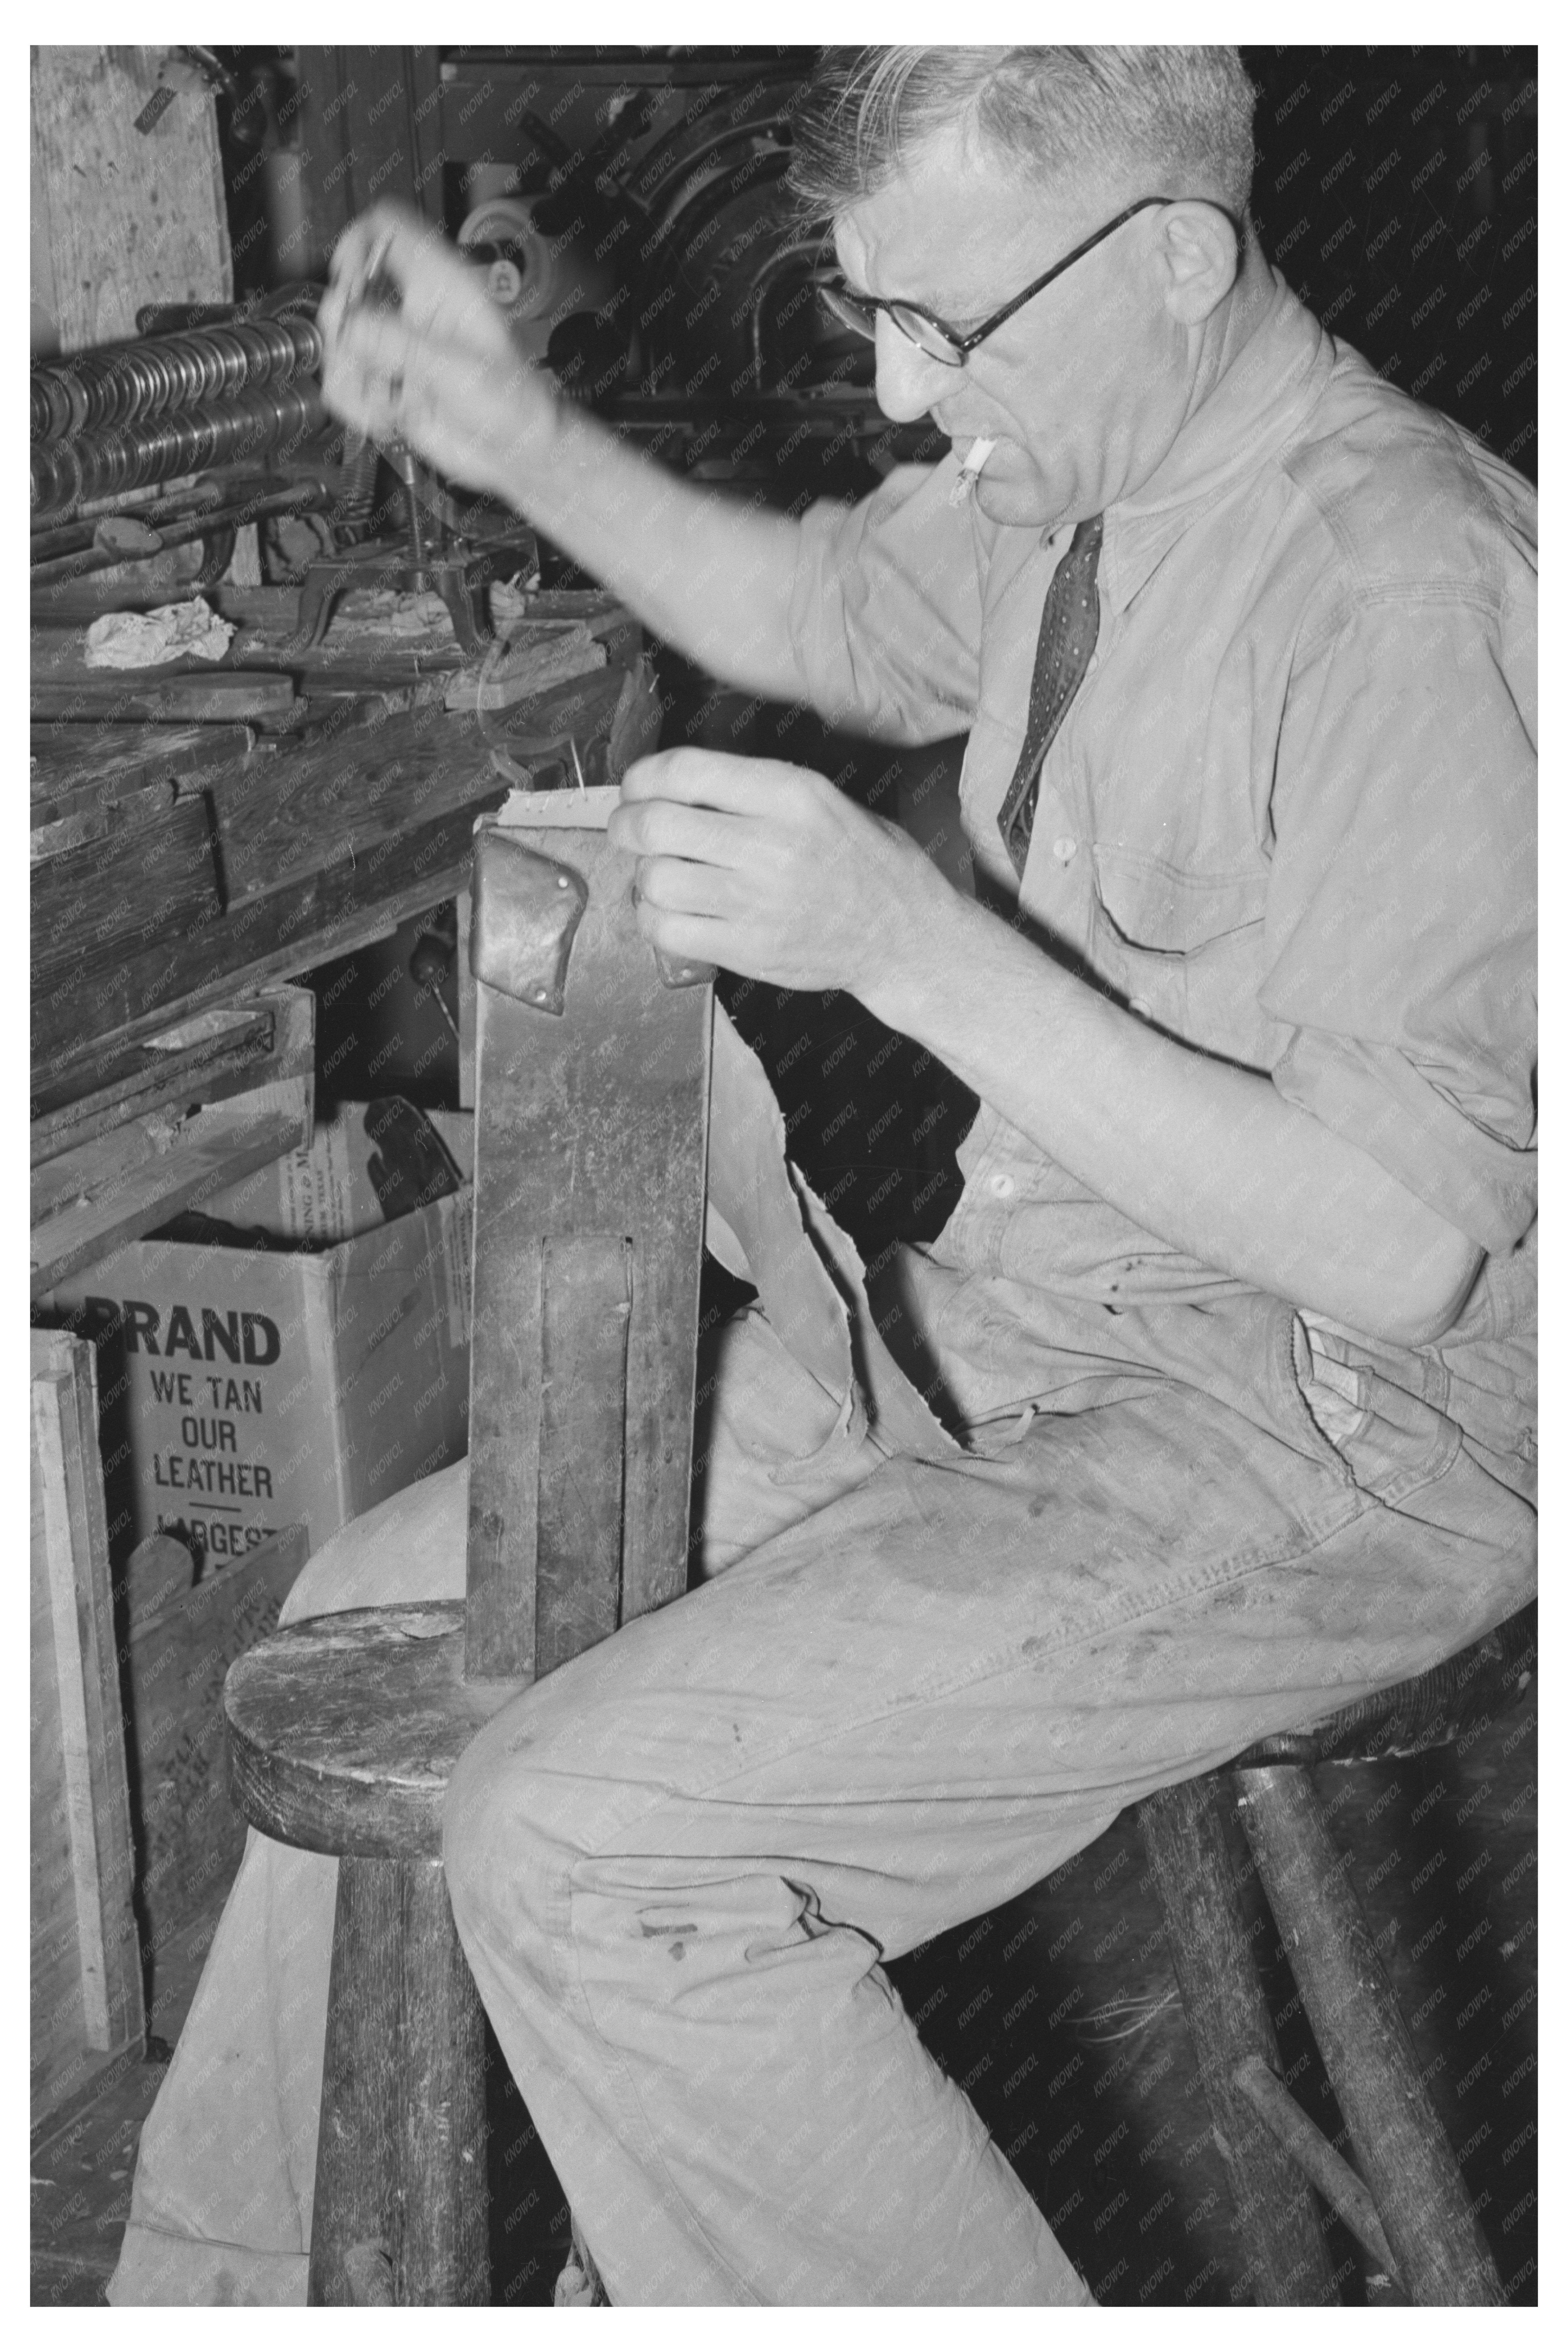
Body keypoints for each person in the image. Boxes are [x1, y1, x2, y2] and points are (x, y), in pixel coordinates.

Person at [109, 46, 1535, 2307]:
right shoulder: (1082, 454)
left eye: (938, 329)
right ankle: (217, 2297)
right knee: (370, 1612)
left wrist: (901, 946)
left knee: (588, 1849)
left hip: (1315, 1439)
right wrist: (508, 431)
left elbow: (1399, 1239)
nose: (893, 395)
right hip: (1011, 1335)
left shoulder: (1402, 594)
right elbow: (815, 613)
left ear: (1177, 261)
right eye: (871, 314)